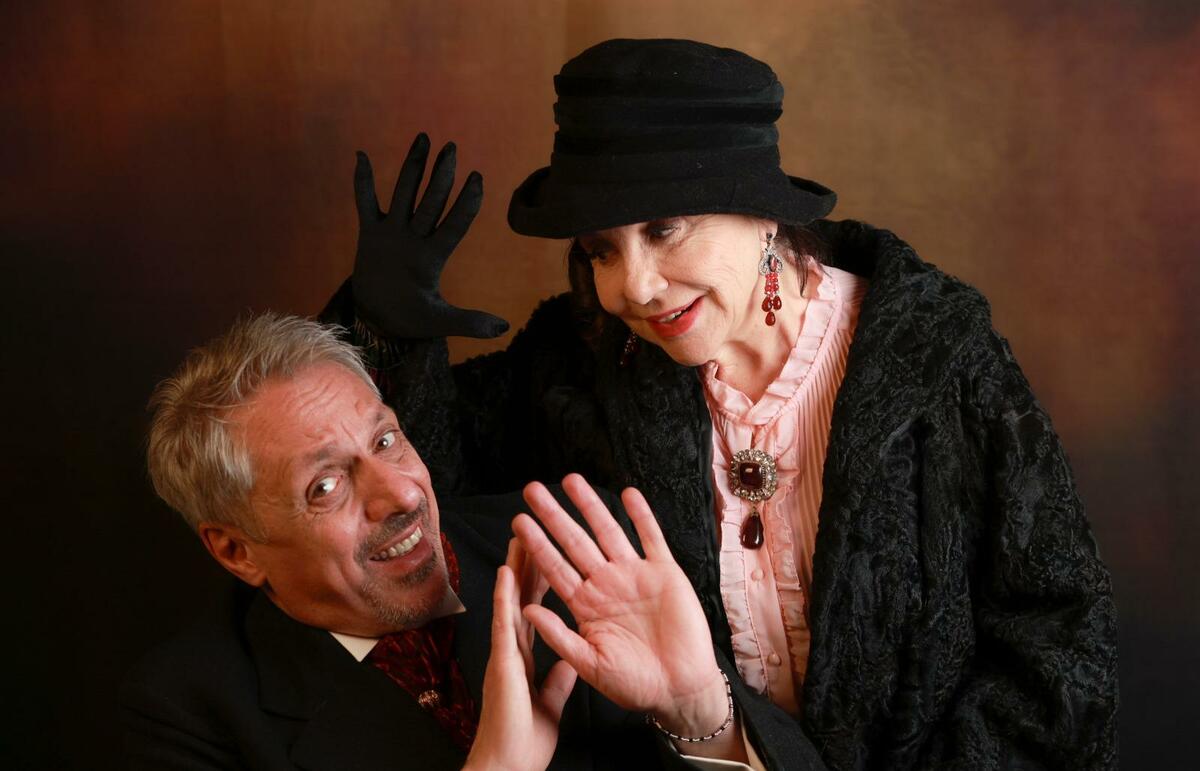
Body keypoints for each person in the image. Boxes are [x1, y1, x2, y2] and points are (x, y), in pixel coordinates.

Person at [325, 38, 1119, 770]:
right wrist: (392, 332)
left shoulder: (939, 358)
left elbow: (1058, 642)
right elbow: (436, 493)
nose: (634, 285)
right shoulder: (581, 360)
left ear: (763, 209)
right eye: (601, 250)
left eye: (664, 229)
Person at [121, 312, 829, 770]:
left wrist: (702, 713)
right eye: (326, 485)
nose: (403, 495)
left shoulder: (584, 544)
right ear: (236, 551)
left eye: (385, 440)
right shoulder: (188, 715)